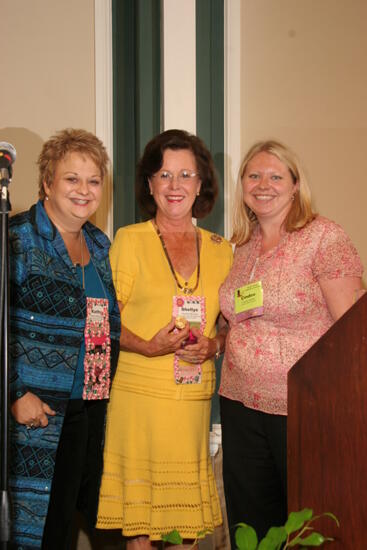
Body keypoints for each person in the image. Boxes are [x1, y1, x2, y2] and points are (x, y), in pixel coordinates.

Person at [219, 139, 363, 547]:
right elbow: (242, 321)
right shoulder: (241, 247)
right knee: (251, 527)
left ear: (296, 185)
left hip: (303, 409)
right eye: (254, 175)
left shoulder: (324, 238)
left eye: (275, 176)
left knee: (306, 524)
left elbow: (355, 335)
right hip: (238, 403)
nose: (263, 184)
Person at [96, 129, 233, 549]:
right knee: (140, 528)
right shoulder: (128, 240)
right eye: (164, 175)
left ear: (201, 184)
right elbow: (103, 320)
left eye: (186, 174)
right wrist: (148, 344)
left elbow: (231, 323)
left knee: (184, 528)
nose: (175, 186)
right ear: (150, 185)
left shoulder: (222, 249)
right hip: (138, 400)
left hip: (191, 403)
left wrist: (214, 345)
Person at [9, 128, 121, 549]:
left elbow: (108, 322)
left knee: (90, 527)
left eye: (93, 181)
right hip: (36, 416)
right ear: (47, 183)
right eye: (71, 179)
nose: (84, 190)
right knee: (39, 532)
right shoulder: (17, 239)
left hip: (90, 411)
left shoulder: (99, 243)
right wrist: (14, 393)